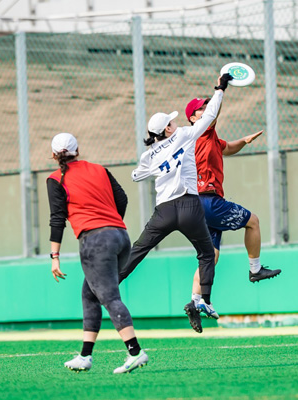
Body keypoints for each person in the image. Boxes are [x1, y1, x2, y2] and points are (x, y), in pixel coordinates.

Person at [118, 73, 234, 321]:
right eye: (171, 122)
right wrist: (220, 88)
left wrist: (155, 163)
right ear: (168, 129)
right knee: (206, 254)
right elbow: (211, 115)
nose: (174, 122)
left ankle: (110, 283)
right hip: (190, 206)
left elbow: (136, 176)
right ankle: (205, 301)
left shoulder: (148, 155)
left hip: (165, 211)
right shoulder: (183, 134)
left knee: (139, 248)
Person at [46, 132, 148, 374]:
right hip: (121, 236)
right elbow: (121, 198)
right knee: (90, 294)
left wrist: (54, 256)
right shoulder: (99, 169)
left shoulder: (55, 178)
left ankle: (135, 352)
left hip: (95, 242)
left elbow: (57, 219)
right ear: (77, 151)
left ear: (53, 155)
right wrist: (111, 225)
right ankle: (85, 355)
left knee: (110, 297)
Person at [181, 96, 282, 333]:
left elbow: (227, 148)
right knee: (253, 222)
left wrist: (244, 141)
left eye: (206, 106)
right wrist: (221, 89)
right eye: (200, 109)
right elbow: (214, 114)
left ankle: (195, 301)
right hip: (209, 200)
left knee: (210, 256)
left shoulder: (209, 137)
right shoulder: (201, 131)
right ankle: (255, 269)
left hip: (197, 206)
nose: (206, 110)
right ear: (193, 118)